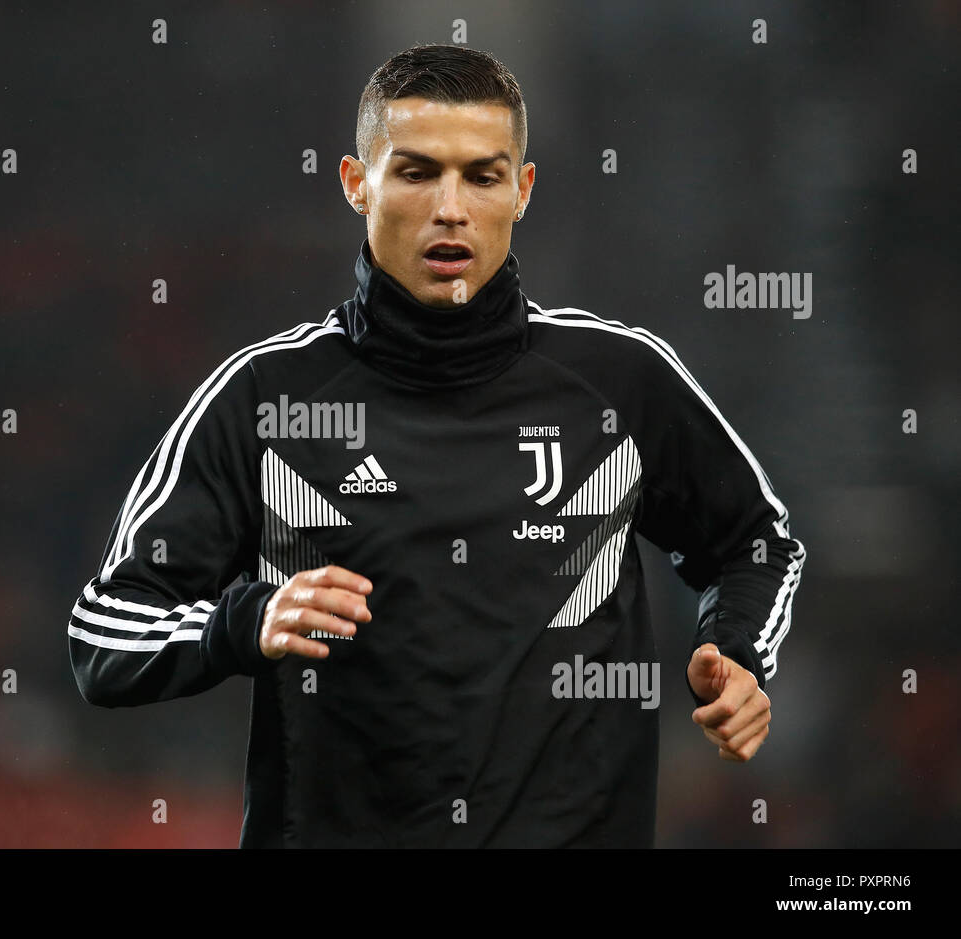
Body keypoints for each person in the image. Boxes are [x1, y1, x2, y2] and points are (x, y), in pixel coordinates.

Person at [68, 43, 805, 847]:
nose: (450, 208)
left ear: (521, 191)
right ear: (358, 183)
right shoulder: (265, 399)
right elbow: (105, 635)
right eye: (417, 172)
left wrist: (733, 651)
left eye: (481, 176)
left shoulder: (621, 384)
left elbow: (756, 542)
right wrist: (245, 621)